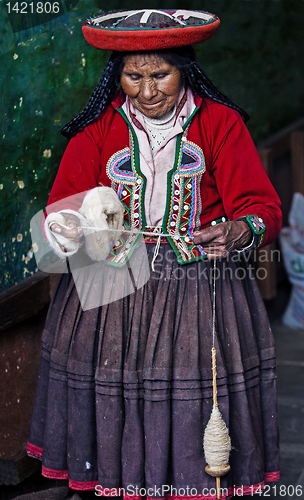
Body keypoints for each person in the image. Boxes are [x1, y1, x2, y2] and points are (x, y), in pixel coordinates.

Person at [27, 9, 281, 500]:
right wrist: (71, 226)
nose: (146, 91)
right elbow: (66, 203)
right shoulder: (99, 128)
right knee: (116, 389)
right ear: (116, 76)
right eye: (133, 76)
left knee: (187, 387)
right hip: (111, 281)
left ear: (185, 69)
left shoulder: (220, 124)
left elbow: (262, 206)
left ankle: (188, 487)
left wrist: (240, 229)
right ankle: (118, 485)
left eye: (160, 74)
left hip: (198, 283)